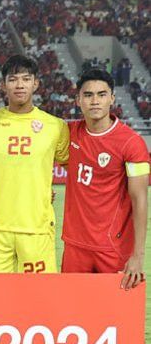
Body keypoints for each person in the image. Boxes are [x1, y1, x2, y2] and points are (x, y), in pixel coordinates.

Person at [0, 54, 69, 273]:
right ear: (3, 85)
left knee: (36, 301)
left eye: (26, 79)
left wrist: (42, 186)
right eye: (13, 79)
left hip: (36, 227)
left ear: (36, 83)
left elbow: (74, 168)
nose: (19, 85)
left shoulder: (55, 126)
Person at [62, 68, 148, 289]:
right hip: (74, 246)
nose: (95, 101)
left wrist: (138, 256)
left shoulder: (131, 143)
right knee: (71, 316)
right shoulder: (67, 133)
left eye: (101, 94)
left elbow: (140, 200)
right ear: (78, 100)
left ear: (112, 98)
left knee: (113, 320)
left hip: (112, 248)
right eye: (88, 95)